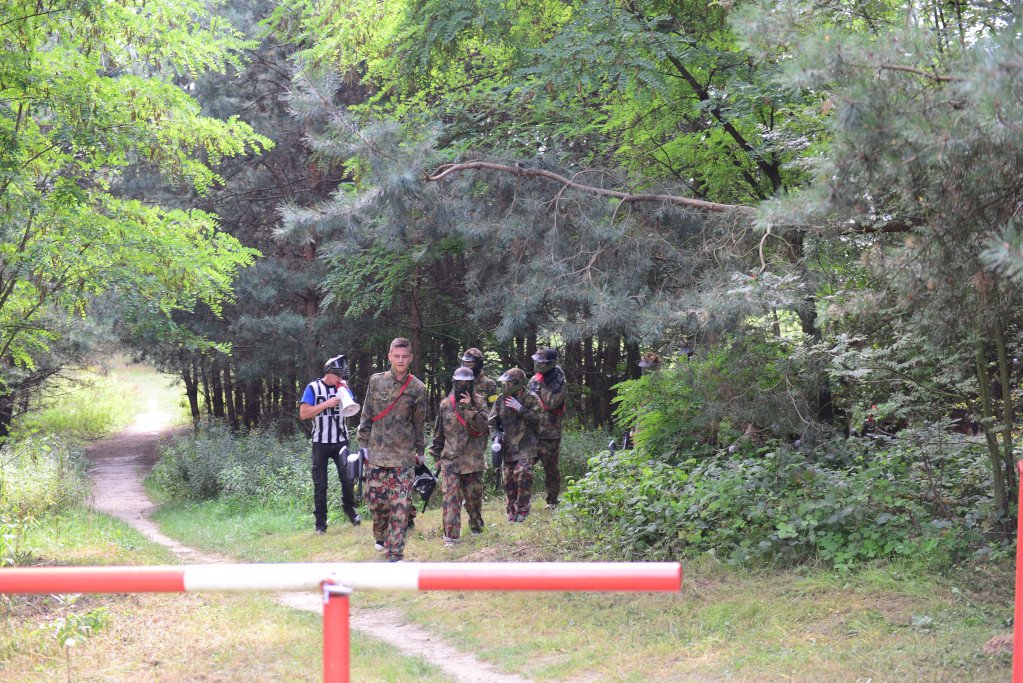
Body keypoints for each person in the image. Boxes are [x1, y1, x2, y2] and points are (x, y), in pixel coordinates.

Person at [356, 337, 427, 562]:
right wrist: (362, 445)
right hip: (377, 454)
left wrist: (421, 451)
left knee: (401, 505)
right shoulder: (376, 381)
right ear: (389, 357)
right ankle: (380, 535)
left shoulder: (418, 388)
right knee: (377, 503)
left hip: (403, 456)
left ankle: (395, 553)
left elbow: (419, 423)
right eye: (396, 356)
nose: (400, 360)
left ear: (411, 358)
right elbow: (367, 413)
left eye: (405, 356)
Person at [298, 355, 361, 534]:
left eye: (342, 375)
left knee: (348, 479)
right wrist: (327, 403)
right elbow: (304, 413)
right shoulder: (313, 388)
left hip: (341, 441)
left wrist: (345, 392)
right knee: (320, 484)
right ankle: (320, 524)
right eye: (338, 375)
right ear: (329, 372)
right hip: (320, 443)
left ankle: (349, 508)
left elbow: (352, 408)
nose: (340, 378)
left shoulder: (343, 387)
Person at [429, 367, 488, 546]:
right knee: (450, 498)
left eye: (466, 383)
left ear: (471, 383)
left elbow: (482, 428)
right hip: (450, 460)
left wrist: (469, 407)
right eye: (459, 382)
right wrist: (436, 456)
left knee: (473, 499)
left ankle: (476, 526)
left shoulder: (480, 402)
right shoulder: (446, 404)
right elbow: (439, 432)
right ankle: (451, 536)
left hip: (473, 460)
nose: (462, 386)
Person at [488, 367, 543, 522]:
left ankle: (523, 510)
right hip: (508, 446)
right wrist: (496, 436)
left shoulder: (531, 398)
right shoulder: (502, 399)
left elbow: (539, 419)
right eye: (505, 383)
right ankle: (512, 511)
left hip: (527, 445)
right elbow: (491, 421)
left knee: (524, 473)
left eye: (509, 383)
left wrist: (521, 409)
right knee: (509, 480)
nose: (506, 386)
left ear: (518, 383)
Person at [527, 348, 567, 509]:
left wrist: (541, 382)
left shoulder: (560, 382)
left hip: (550, 433)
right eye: (538, 362)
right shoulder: (533, 380)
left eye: (542, 363)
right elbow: (527, 401)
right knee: (524, 467)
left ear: (550, 364)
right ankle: (522, 501)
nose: (539, 365)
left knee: (550, 469)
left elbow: (552, 403)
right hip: (532, 432)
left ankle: (552, 501)